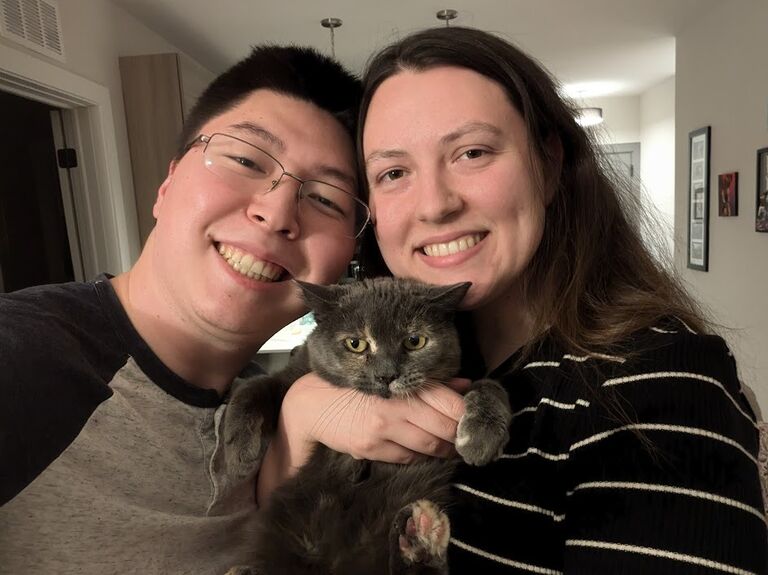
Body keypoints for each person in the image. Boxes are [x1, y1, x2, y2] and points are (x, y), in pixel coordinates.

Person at [263, 27, 767, 574]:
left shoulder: (654, 383)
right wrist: (296, 422)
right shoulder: (429, 358)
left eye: (472, 152)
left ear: (548, 163)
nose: (434, 205)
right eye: (393, 172)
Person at [0, 44, 466, 574]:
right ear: (168, 181)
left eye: (326, 199)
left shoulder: (284, 403)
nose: (275, 212)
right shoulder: (23, 357)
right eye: (245, 160)